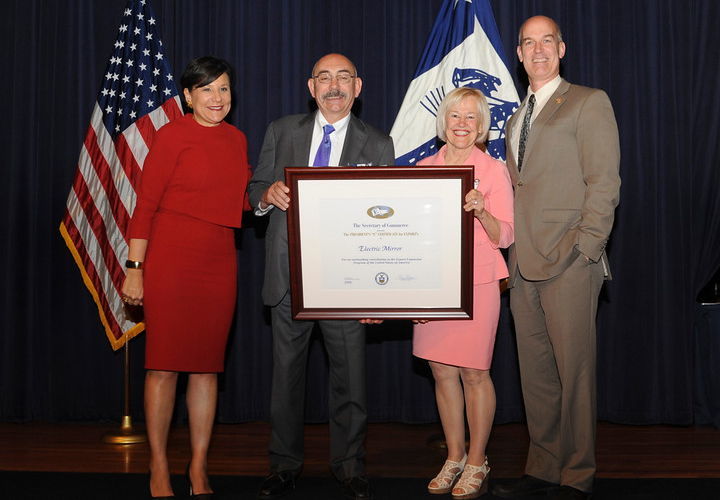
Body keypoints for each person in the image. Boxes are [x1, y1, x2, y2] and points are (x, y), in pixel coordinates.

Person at [247, 53, 394, 500]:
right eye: (325, 78)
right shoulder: (281, 130)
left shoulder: (380, 144)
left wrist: (376, 295)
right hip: (289, 279)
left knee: (350, 381)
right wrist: (267, 193)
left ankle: (349, 466)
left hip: (346, 285)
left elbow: (385, 224)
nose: (334, 86)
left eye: (344, 77)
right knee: (286, 382)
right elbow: (254, 188)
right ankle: (283, 465)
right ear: (311, 88)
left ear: (358, 86)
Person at [490, 16, 621, 500]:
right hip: (522, 265)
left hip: (570, 262)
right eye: (529, 43)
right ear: (519, 55)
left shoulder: (589, 102)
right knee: (537, 375)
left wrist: (587, 249)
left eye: (547, 41)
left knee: (576, 374)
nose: (538, 49)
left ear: (561, 48)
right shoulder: (513, 118)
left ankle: (577, 475)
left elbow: (605, 183)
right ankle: (543, 468)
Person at [121, 56, 252, 499]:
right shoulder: (170, 136)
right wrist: (135, 270)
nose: (218, 98)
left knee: (206, 370)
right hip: (170, 263)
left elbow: (242, 198)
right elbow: (145, 206)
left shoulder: (237, 140)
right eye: (208, 89)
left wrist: (279, 193)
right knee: (162, 368)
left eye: (225, 89)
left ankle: (198, 468)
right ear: (188, 96)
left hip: (219, 264)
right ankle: (158, 466)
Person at [412, 87, 514, 499]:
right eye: (455, 115)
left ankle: (476, 459)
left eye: (471, 117)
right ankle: (453, 455)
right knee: (441, 371)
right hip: (433, 283)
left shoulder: (492, 170)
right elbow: (411, 238)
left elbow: (507, 235)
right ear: (444, 120)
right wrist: (414, 294)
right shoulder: (423, 166)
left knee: (474, 373)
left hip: (478, 281)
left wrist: (481, 210)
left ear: (482, 125)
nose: (462, 124)